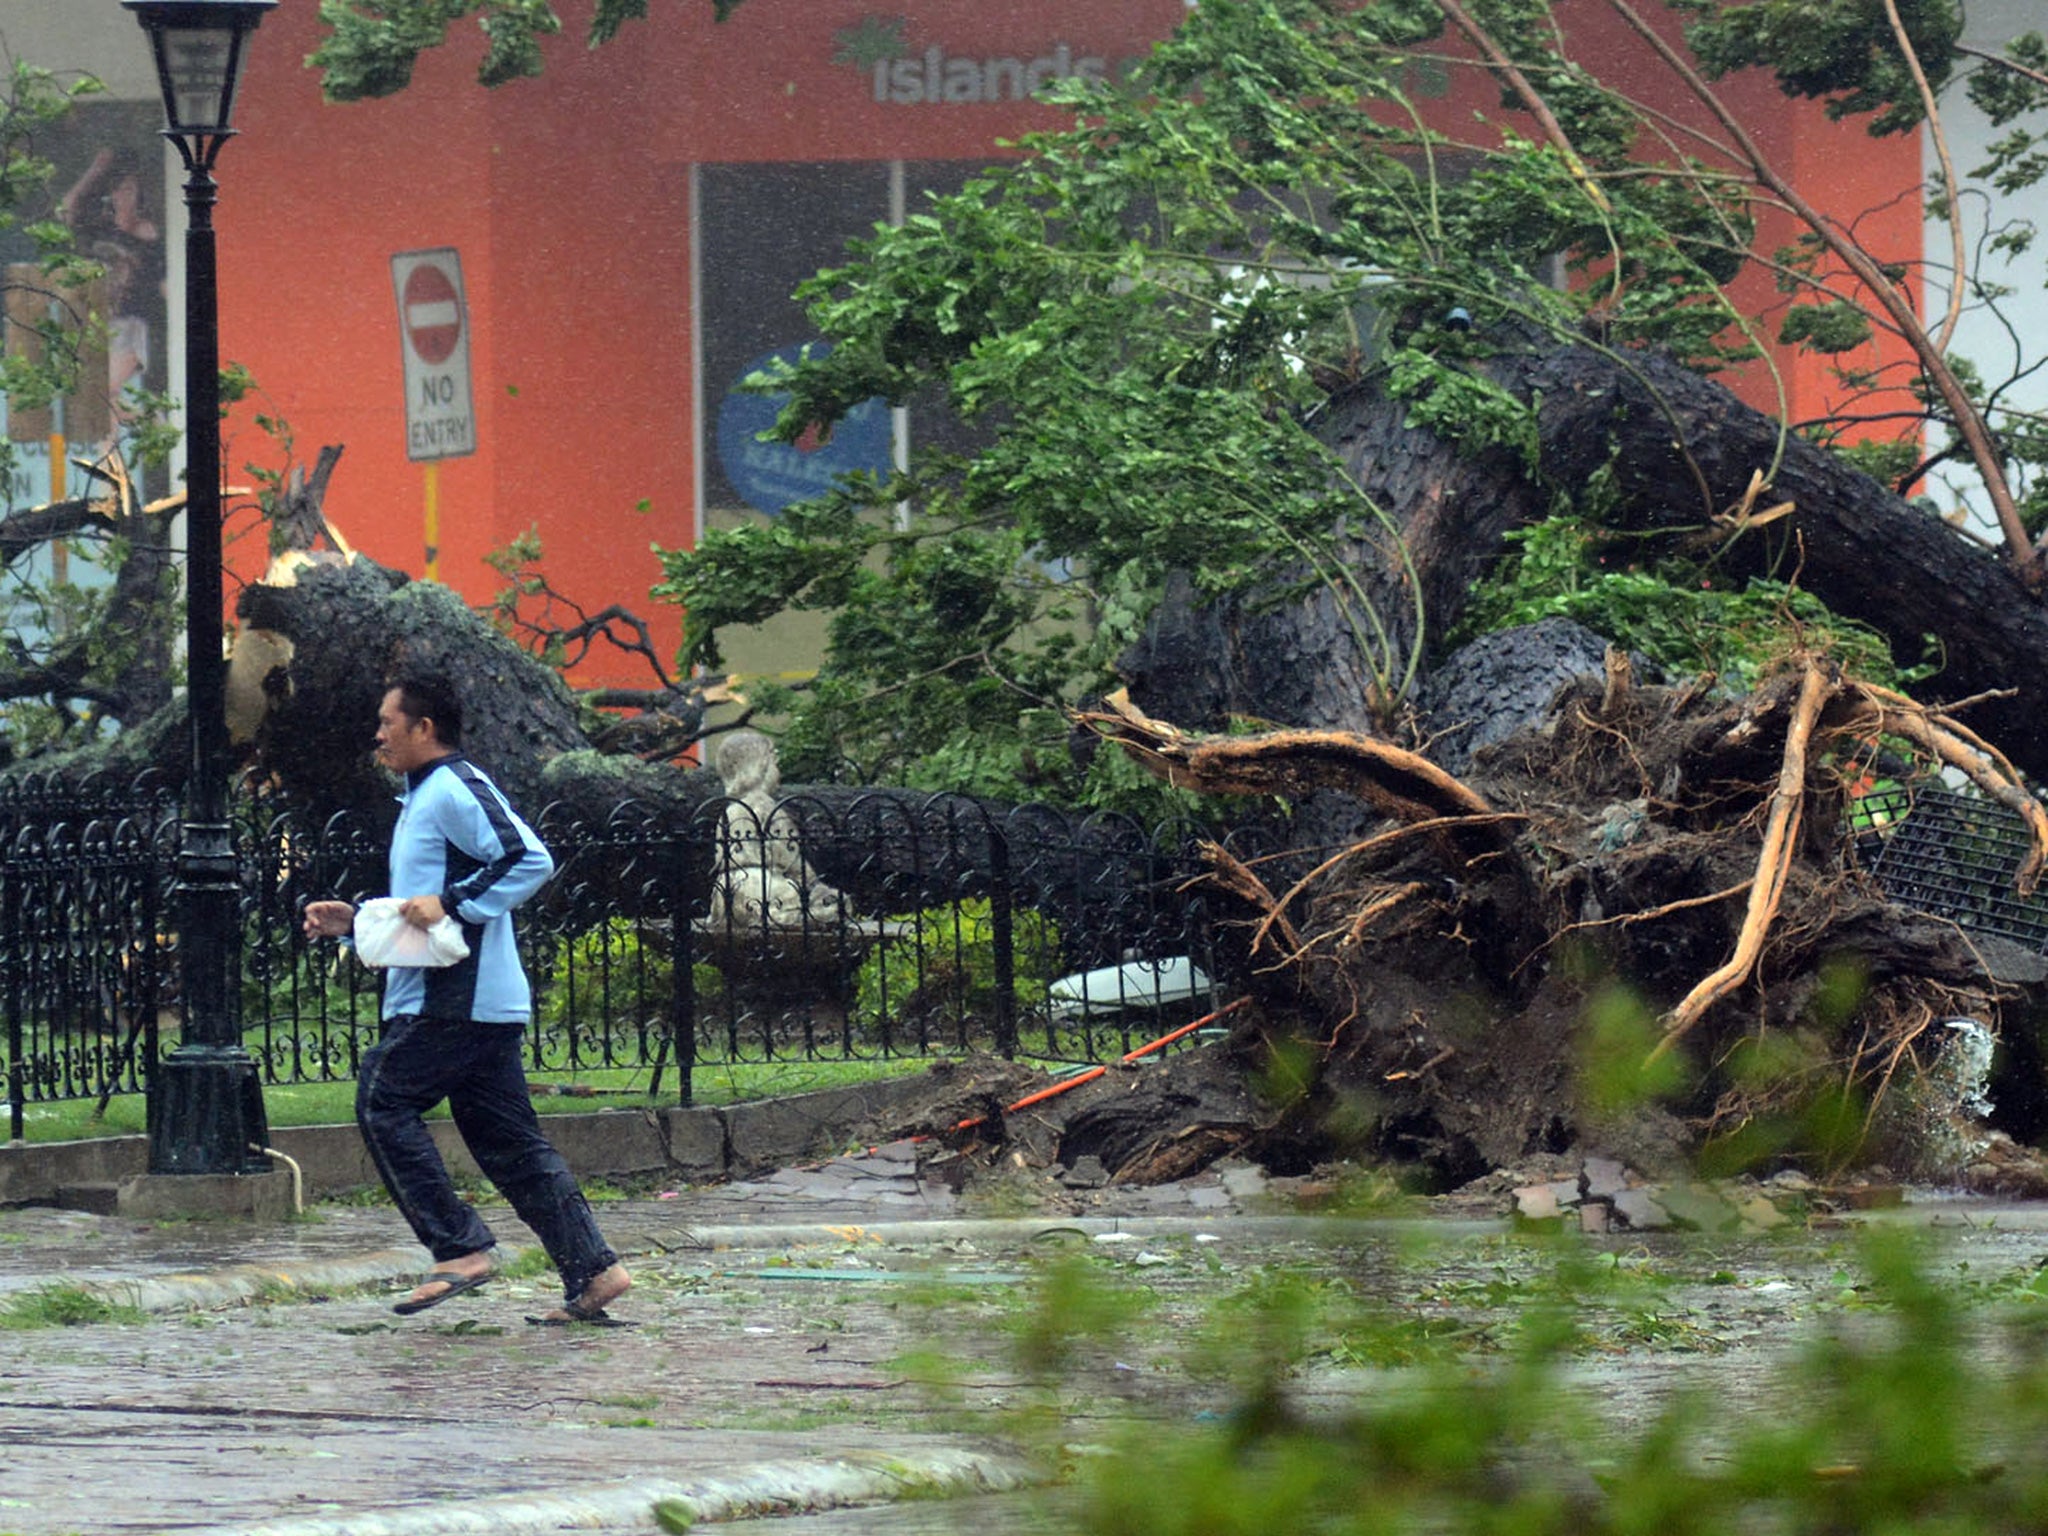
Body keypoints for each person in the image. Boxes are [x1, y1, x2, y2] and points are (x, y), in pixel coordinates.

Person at [302, 671, 632, 1325]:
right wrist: (357, 923)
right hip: (474, 1003)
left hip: (455, 1000)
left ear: (424, 729)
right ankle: (595, 1271)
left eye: (388, 722)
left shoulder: (454, 786)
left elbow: (529, 859)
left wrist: (451, 901)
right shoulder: (424, 796)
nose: (378, 733)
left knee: (383, 1095)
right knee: (509, 1144)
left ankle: (460, 1250)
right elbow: (425, 910)